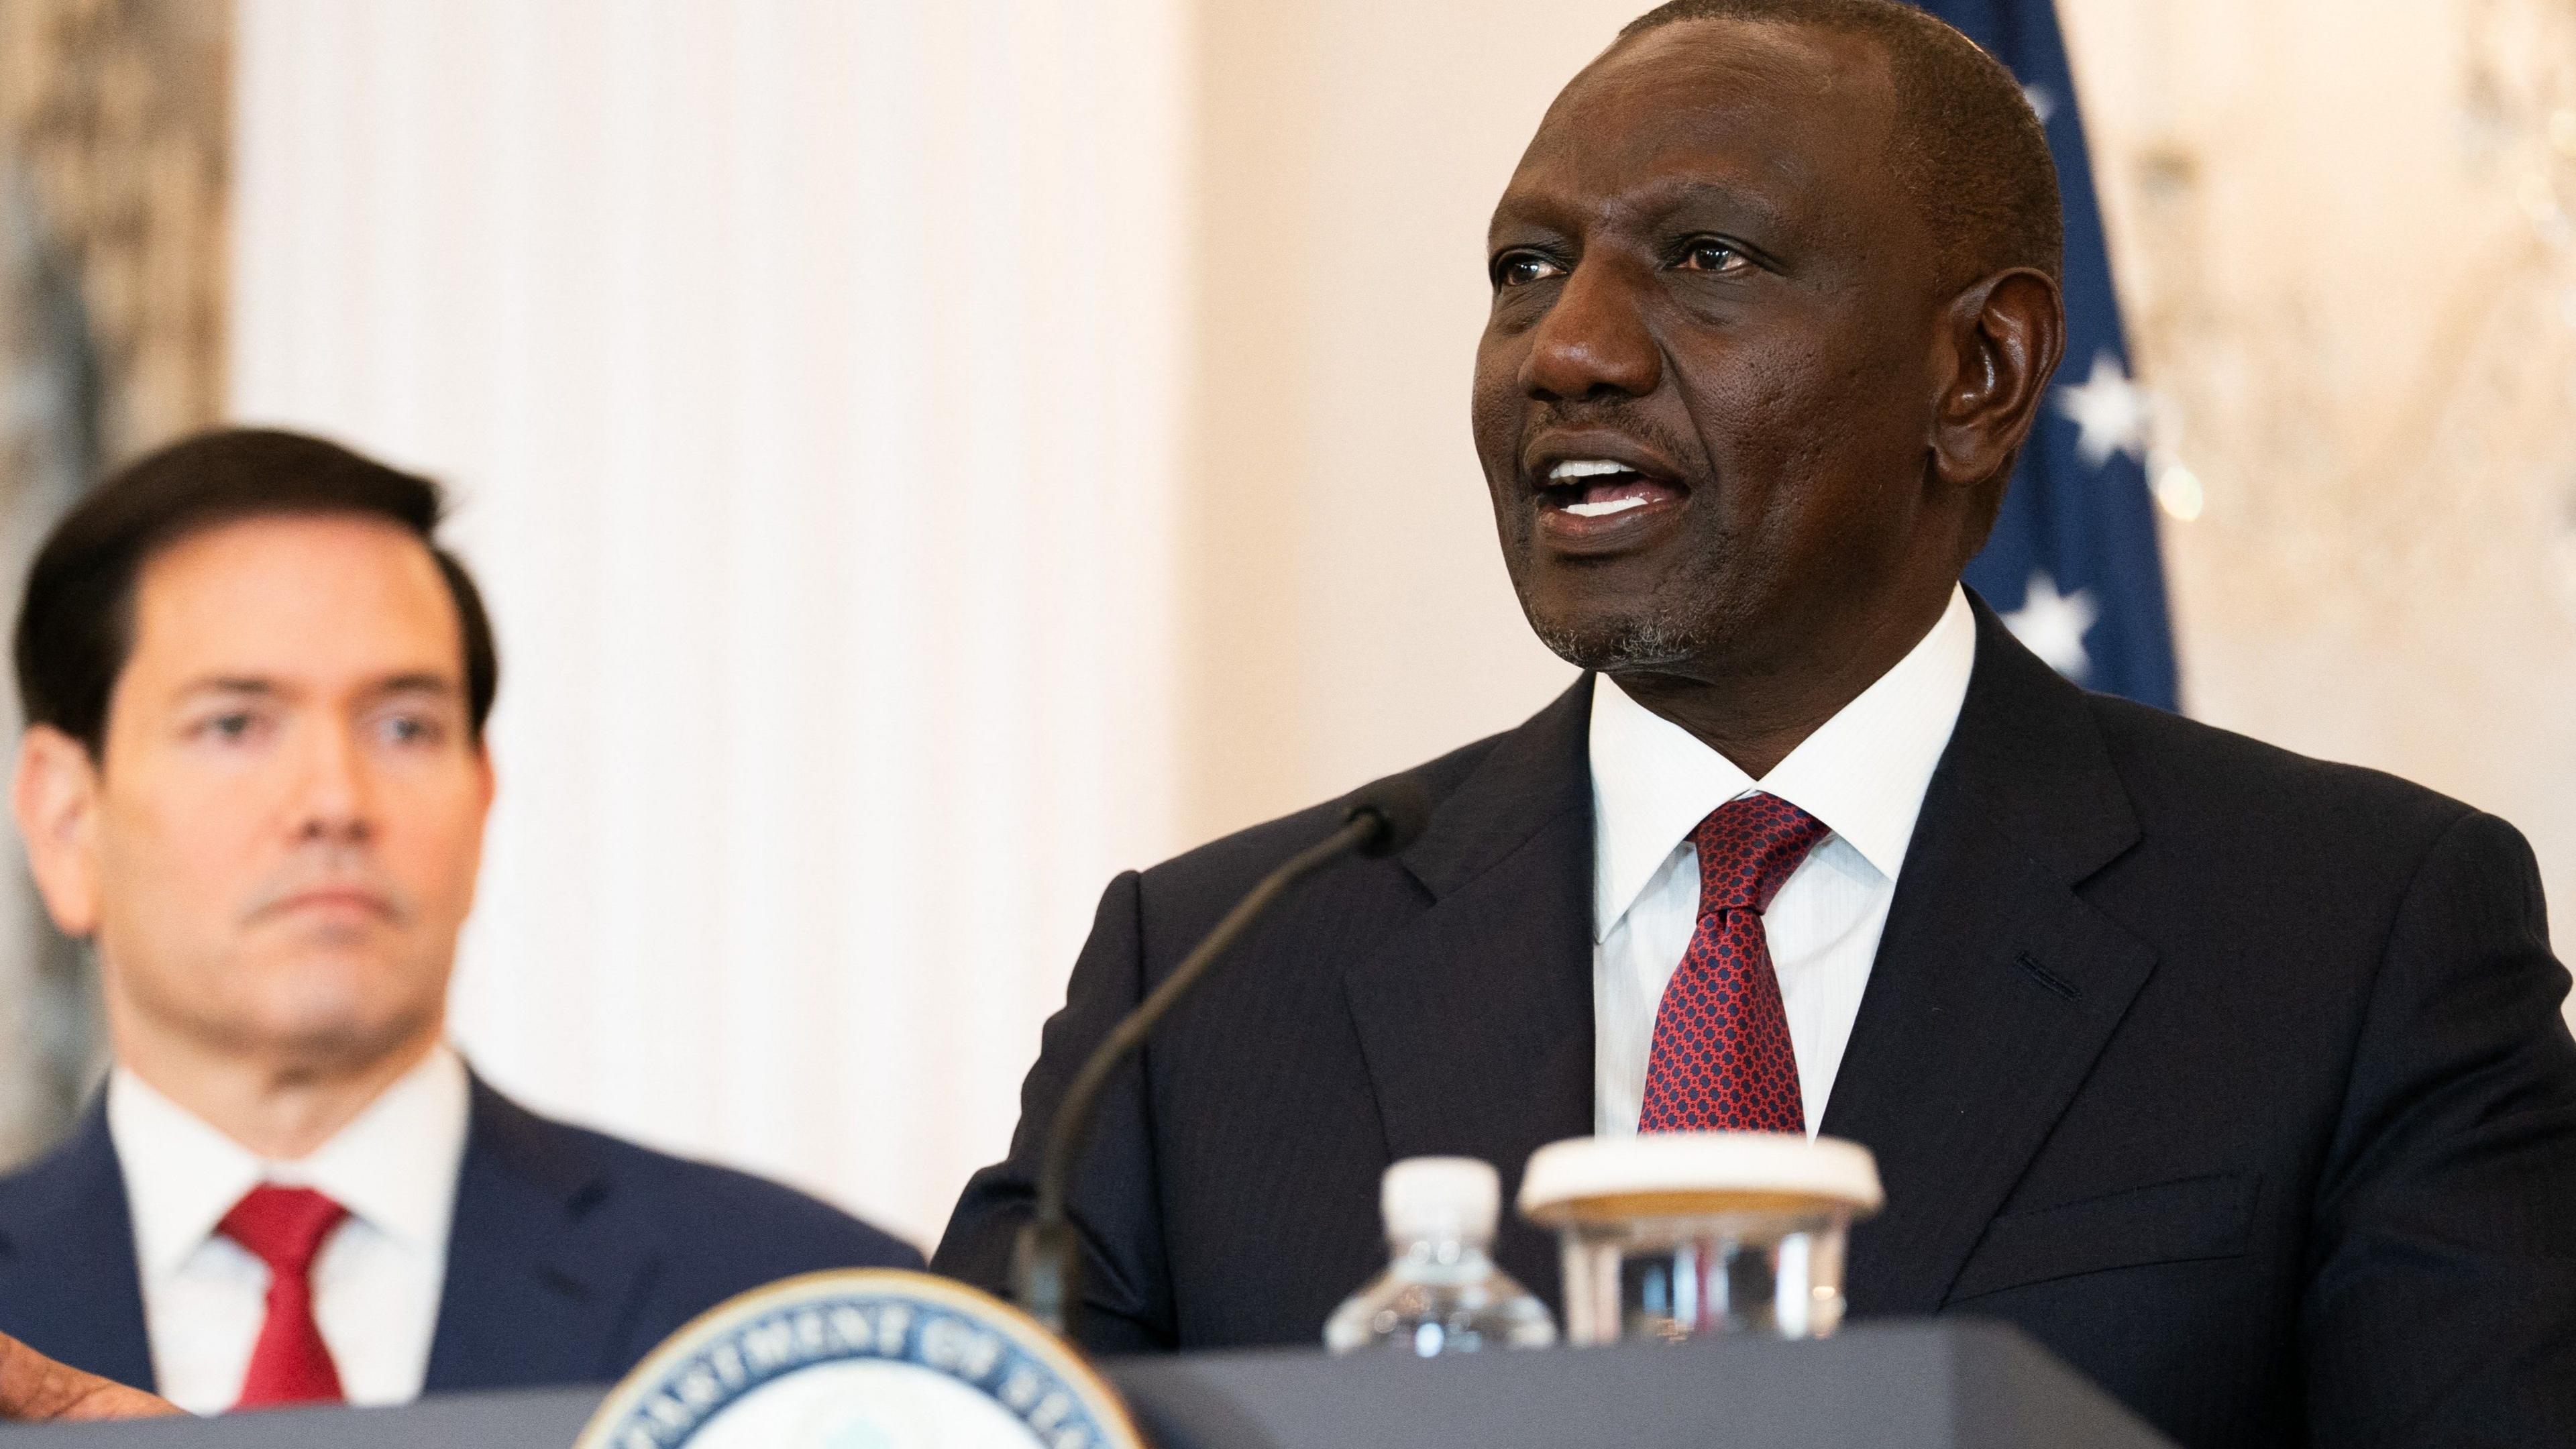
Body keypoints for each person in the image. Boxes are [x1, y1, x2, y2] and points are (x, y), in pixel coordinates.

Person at [934, 3, 2576, 1445]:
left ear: (1983, 375)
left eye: (1706, 261)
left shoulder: (2354, 939)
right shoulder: (1208, 988)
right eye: (1526, 271)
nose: (1565, 350)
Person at [0, 429, 918, 1420]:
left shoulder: (808, 1315)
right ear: (66, 821)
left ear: (482, 798)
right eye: (236, 724)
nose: (335, 801)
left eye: (405, 727)